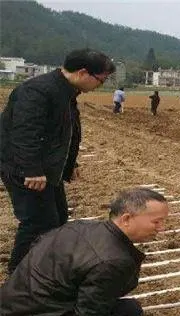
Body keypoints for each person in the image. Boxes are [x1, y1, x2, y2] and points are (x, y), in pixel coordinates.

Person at [0, 188, 169, 316]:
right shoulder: (113, 260)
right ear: (126, 218)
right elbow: (91, 315)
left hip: (10, 314)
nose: (161, 228)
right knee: (128, 311)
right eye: (156, 221)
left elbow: (37, 245)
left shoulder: (80, 227)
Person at [0, 48, 115, 274]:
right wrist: (31, 169)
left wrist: (71, 164)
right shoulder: (38, 91)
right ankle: (19, 274)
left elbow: (62, 133)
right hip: (25, 169)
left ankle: (44, 266)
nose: (100, 86)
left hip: (45, 169)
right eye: (101, 81)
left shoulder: (65, 92)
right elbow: (24, 133)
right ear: (83, 73)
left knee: (58, 218)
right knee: (37, 222)